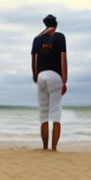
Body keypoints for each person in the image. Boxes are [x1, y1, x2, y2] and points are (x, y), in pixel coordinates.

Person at [31, 14, 67, 151]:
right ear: (56, 25)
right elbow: (63, 58)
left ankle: (45, 147)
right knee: (56, 114)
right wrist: (64, 80)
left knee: (44, 114)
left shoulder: (37, 39)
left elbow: (34, 60)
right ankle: (54, 148)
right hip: (56, 76)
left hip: (41, 76)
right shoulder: (60, 37)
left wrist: (36, 77)